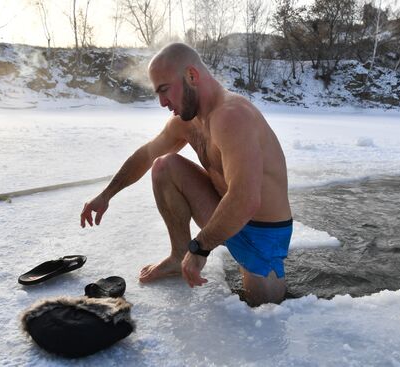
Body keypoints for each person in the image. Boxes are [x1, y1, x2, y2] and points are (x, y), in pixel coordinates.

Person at [80, 43, 293, 306]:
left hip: (263, 234)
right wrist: (106, 195)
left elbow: (246, 200)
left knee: (266, 312)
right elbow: (146, 156)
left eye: (164, 90)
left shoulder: (233, 116)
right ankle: (177, 254)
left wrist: (200, 248)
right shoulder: (187, 122)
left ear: (192, 76)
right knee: (164, 165)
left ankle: (246, 269)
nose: (162, 102)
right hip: (225, 215)